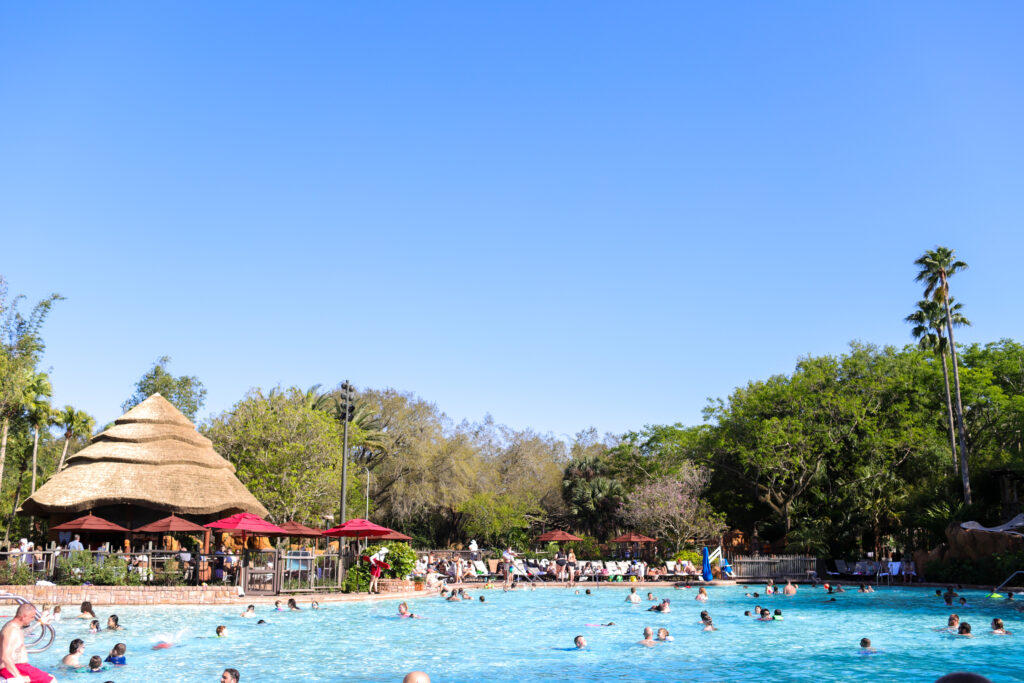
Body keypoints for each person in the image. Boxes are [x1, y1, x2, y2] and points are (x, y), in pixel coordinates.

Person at [0, 603, 56, 682]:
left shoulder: (14, 627)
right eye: (32, 617)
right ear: (24, 616)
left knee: (50, 677)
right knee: (51, 680)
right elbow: (5, 656)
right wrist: (18, 676)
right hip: (13, 668)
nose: (33, 619)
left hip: (20, 667)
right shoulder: (11, 630)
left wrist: (39, 622)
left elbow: (23, 633)